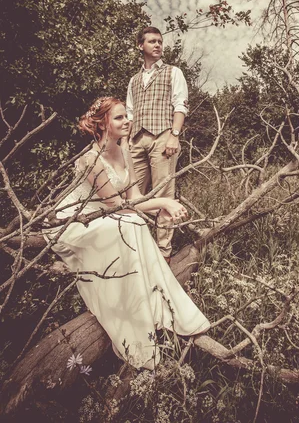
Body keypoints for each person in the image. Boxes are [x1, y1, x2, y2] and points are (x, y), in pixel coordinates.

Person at [44, 97, 209, 370]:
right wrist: (163, 203)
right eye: (119, 118)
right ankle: (137, 320)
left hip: (111, 215)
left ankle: (157, 306)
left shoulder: (124, 152)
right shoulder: (90, 159)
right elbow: (115, 204)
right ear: (103, 124)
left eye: (126, 116)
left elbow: (134, 198)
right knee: (131, 224)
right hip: (79, 220)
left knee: (134, 224)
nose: (127, 121)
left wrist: (161, 206)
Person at [126, 26, 188, 263]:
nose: (158, 45)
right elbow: (130, 114)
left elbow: (180, 105)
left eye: (160, 41)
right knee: (131, 195)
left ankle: (164, 252)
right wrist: (125, 144)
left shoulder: (173, 72)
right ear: (140, 46)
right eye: (152, 41)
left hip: (163, 137)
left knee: (164, 194)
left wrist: (174, 135)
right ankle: (134, 246)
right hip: (136, 140)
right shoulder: (133, 80)